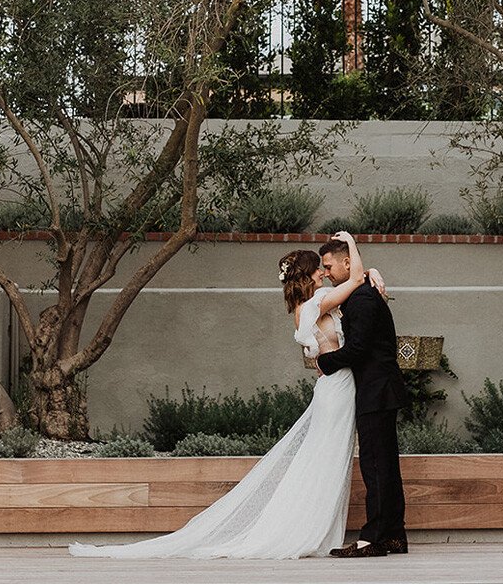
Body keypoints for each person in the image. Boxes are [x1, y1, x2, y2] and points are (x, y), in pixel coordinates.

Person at [67, 231, 384, 561]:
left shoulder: (312, 304)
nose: (324, 271)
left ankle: (312, 525)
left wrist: (372, 273)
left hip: (337, 387)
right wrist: (351, 243)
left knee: (326, 459)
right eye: (319, 268)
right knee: (325, 459)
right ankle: (302, 529)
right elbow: (356, 278)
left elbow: (357, 282)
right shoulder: (316, 303)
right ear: (308, 275)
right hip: (337, 389)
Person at [315, 237, 408, 558]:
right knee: (385, 465)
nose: (325, 273)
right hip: (377, 389)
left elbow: (358, 349)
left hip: (376, 390)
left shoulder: (362, 299)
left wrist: (324, 363)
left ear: (345, 263)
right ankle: (394, 537)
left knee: (376, 466)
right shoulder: (360, 294)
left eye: (328, 266)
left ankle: (374, 539)